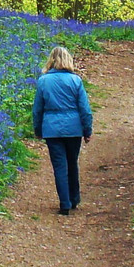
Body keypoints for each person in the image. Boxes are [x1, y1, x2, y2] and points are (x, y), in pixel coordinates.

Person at [32, 46, 92, 215]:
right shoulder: (75, 80)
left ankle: (64, 204)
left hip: (52, 130)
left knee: (59, 166)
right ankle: (74, 199)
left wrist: (38, 129)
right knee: (72, 163)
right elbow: (84, 109)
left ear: (51, 60)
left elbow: (37, 109)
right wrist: (87, 130)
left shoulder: (43, 81)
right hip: (74, 129)